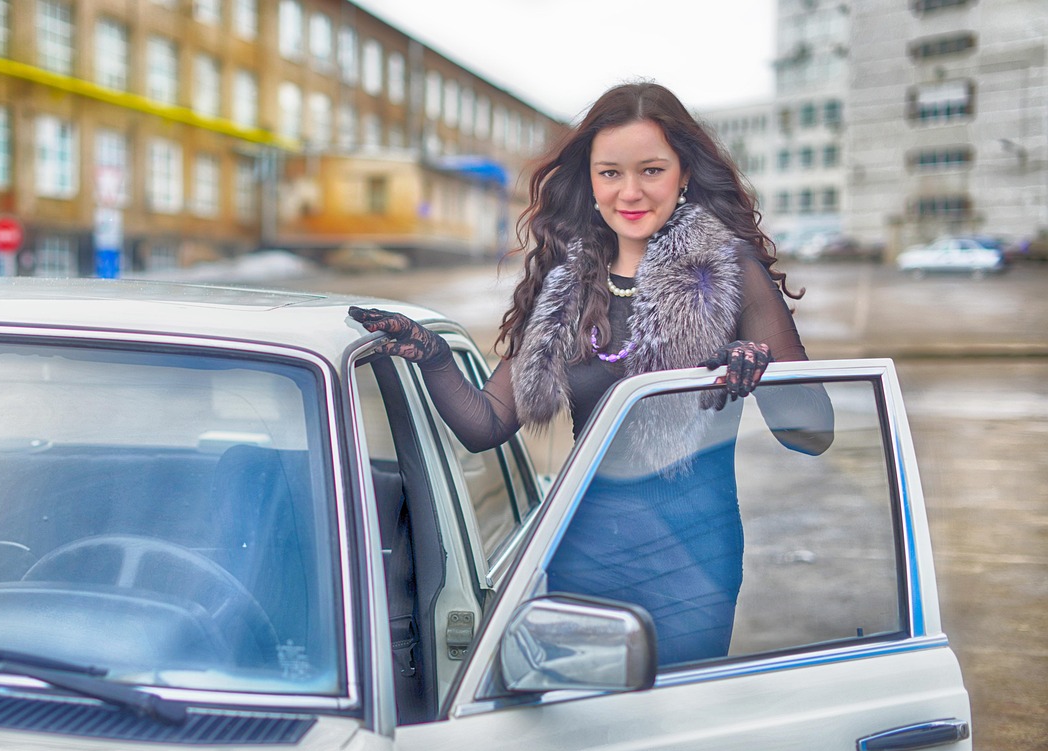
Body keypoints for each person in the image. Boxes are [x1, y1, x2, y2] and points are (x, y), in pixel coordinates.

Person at [349, 81, 832, 666]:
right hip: (581, 549)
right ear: (591, 181)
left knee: (671, 726)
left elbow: (812, 433)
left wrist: (760, 371)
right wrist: (432, 354)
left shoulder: (728, 273)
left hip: (693, 560)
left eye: (651, 170)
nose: (630, 191)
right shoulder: (566, 285)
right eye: (611, 173)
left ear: (683, 175)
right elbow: (487, 423)